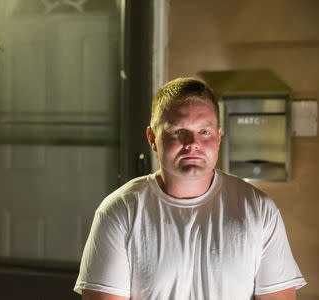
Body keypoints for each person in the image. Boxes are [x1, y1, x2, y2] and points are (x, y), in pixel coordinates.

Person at [74, 78, 306, 300]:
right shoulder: (119, 211)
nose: (192, 142)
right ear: (152, 138)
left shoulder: (258, 210)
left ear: (218, 136)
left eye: (204, 131)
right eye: (178, 131)